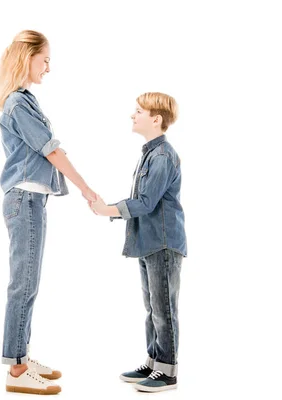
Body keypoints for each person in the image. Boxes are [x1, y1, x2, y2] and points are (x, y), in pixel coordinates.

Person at [0, 29, 97, 395]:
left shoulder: (25, 100)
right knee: (22, 284)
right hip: (25, 200)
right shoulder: (19, 104)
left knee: (28, 283)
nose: (49, 67)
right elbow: (50, 150)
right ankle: (16, 371)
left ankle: (20, 358)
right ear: (29, 58)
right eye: (46, 59)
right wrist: (86, 188)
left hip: (31, 200)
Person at [89, 92, 187, 393]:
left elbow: (145, 202)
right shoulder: (150, 153)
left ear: (156, 119)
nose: (133, 116)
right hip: (150, 242)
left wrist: (108, 210)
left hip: (163, 243)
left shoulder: (162, 156)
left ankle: (167, 372)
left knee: (164, 308)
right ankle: (154, 361)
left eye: (139, 111)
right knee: (152, 307)